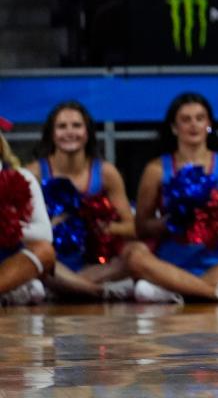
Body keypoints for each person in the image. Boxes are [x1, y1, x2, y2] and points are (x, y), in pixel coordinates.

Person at [127, 93, 218, 304]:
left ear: (208, 124)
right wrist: (174, 221)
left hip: (216, 261)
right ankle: (215, 293)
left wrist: (215, 221)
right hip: (171, 261)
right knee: (136, 257)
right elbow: (142, 227)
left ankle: (176, 291)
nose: (193, 125)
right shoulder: (155, 169)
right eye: (186, 119)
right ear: (174, 128)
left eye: (200, 118)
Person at [25, 101, 136, 300]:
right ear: (52, 133)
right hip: (52, 264)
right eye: (62, 126)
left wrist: (103, 228)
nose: (70, 132)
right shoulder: (33, 173)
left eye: (76, 126)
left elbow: (131, 227)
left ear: (87, 132)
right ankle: (99, 292)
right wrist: (52, 226)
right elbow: (21, 231)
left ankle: (68, 288)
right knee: (33, 257)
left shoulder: (106, 172)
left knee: (136, 254)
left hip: (93, 265)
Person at [0, 122, 55, 305]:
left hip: (7, 263)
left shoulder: (22, 177)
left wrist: (8, 227)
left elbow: (45, 234)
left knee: (44, 251)